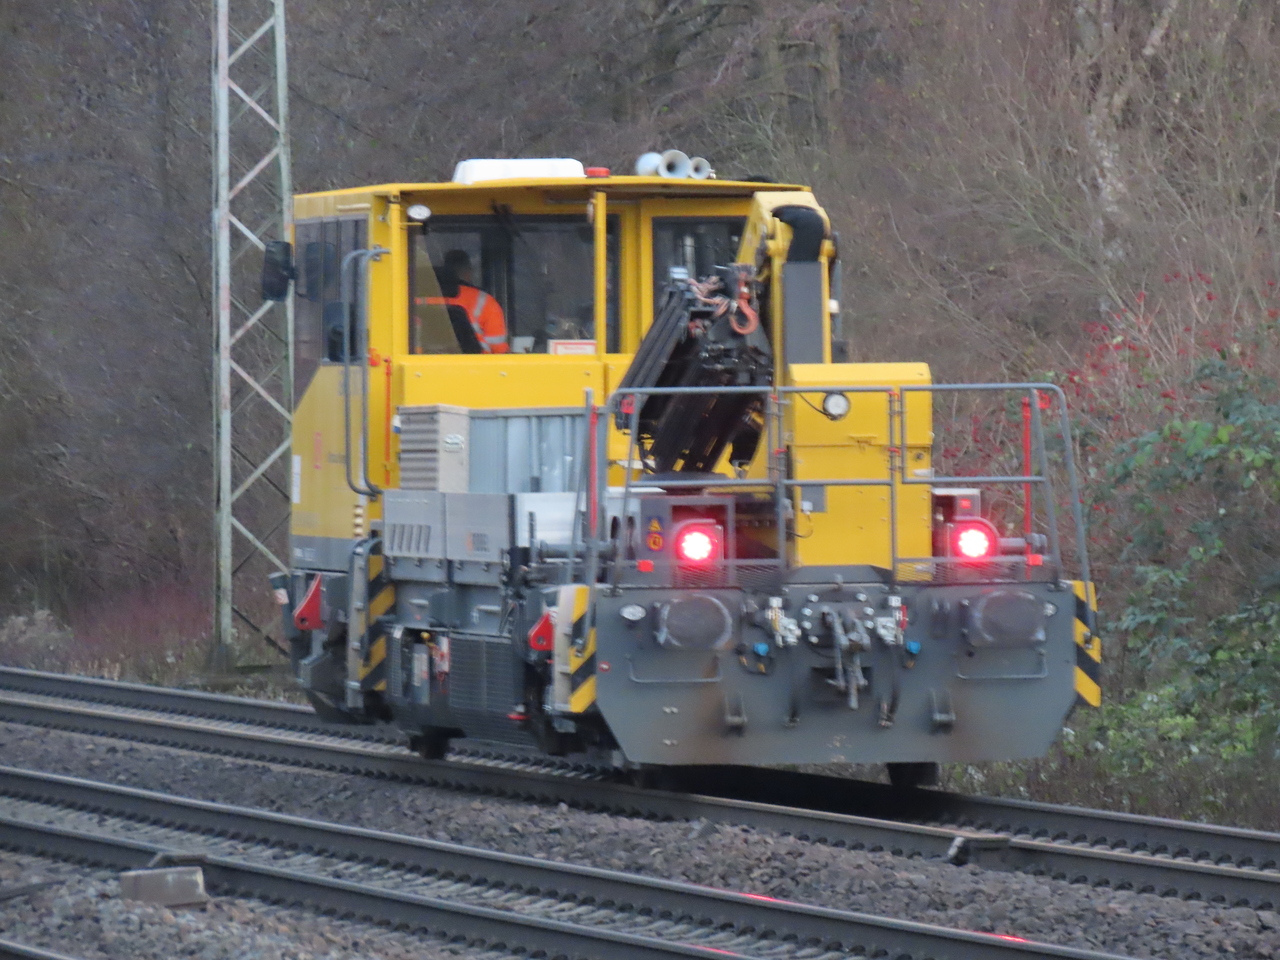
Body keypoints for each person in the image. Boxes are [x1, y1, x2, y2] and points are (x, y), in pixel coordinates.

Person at [437, 249, 508, 354]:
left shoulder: (417, 299)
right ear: (467, 272)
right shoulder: (485, 302)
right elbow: (499, 350)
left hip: (423, 362)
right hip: (477, 363)